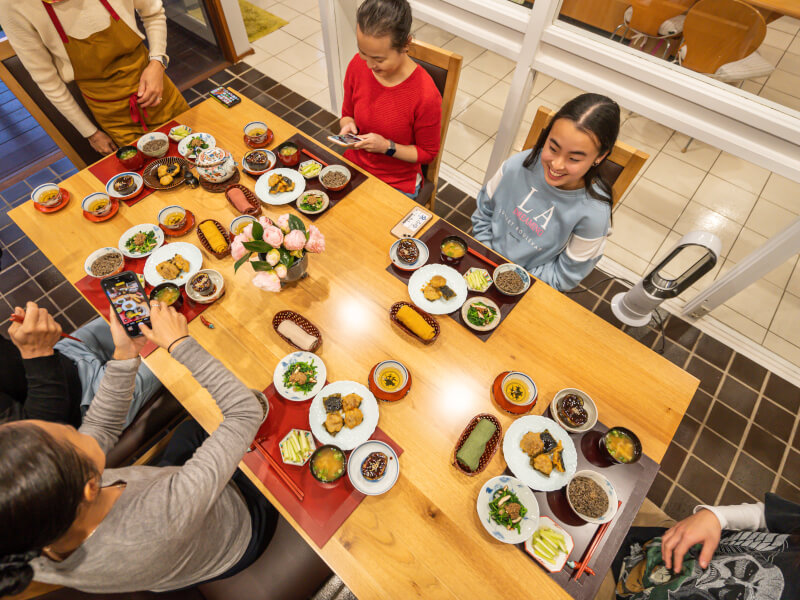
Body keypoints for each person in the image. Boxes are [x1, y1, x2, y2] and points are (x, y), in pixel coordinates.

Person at [0, 302, 277, 596]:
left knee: (191, 429)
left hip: (172, 499)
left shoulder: (38, 526)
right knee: (272, 440)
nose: (81, 429)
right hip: (241, 525)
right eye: (70, 432)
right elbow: (244, 411)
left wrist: (126, 353)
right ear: (89, 486)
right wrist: (180, 344)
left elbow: (101, 426)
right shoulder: (156, 520)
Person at [471, 93, 620, 291]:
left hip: (530, 286)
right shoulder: (519, 165)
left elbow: (564, 276)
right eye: (553, 147)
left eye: (574, 159)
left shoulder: (594, 213)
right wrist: (487, 256)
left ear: (600, 157)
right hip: (483, 258)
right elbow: (484, 212)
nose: (557, 165)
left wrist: (510, 280)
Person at [0, 0, 190, 154]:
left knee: (200, 150)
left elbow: (153, 13)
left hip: (159, 93)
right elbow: (47, 80)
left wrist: (157, 63)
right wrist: (91, 133)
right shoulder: (12, 5)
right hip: (112, 114)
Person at [338, 0, 442, 199]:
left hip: (396, 182)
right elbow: (347, 114)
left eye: (378, 59)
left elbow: (427, 153)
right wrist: (347, 125)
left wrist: (387, 147)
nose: (368, 65)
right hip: (354, 165)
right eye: (363, 52)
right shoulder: (357, 65)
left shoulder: (426, 95)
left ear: (406, 44)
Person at [608, 493, 800, 598]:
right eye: (747, 572)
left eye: (739, 592)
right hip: (654, 543)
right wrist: (716, 517)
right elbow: (764, 515)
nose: (731, 581)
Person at [1, 301, 160, 427]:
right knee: (172, 339)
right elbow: (39, 438)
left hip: (64, 356)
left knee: (149, 309)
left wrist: (41, 352)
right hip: (88, 408)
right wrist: (38, 354)